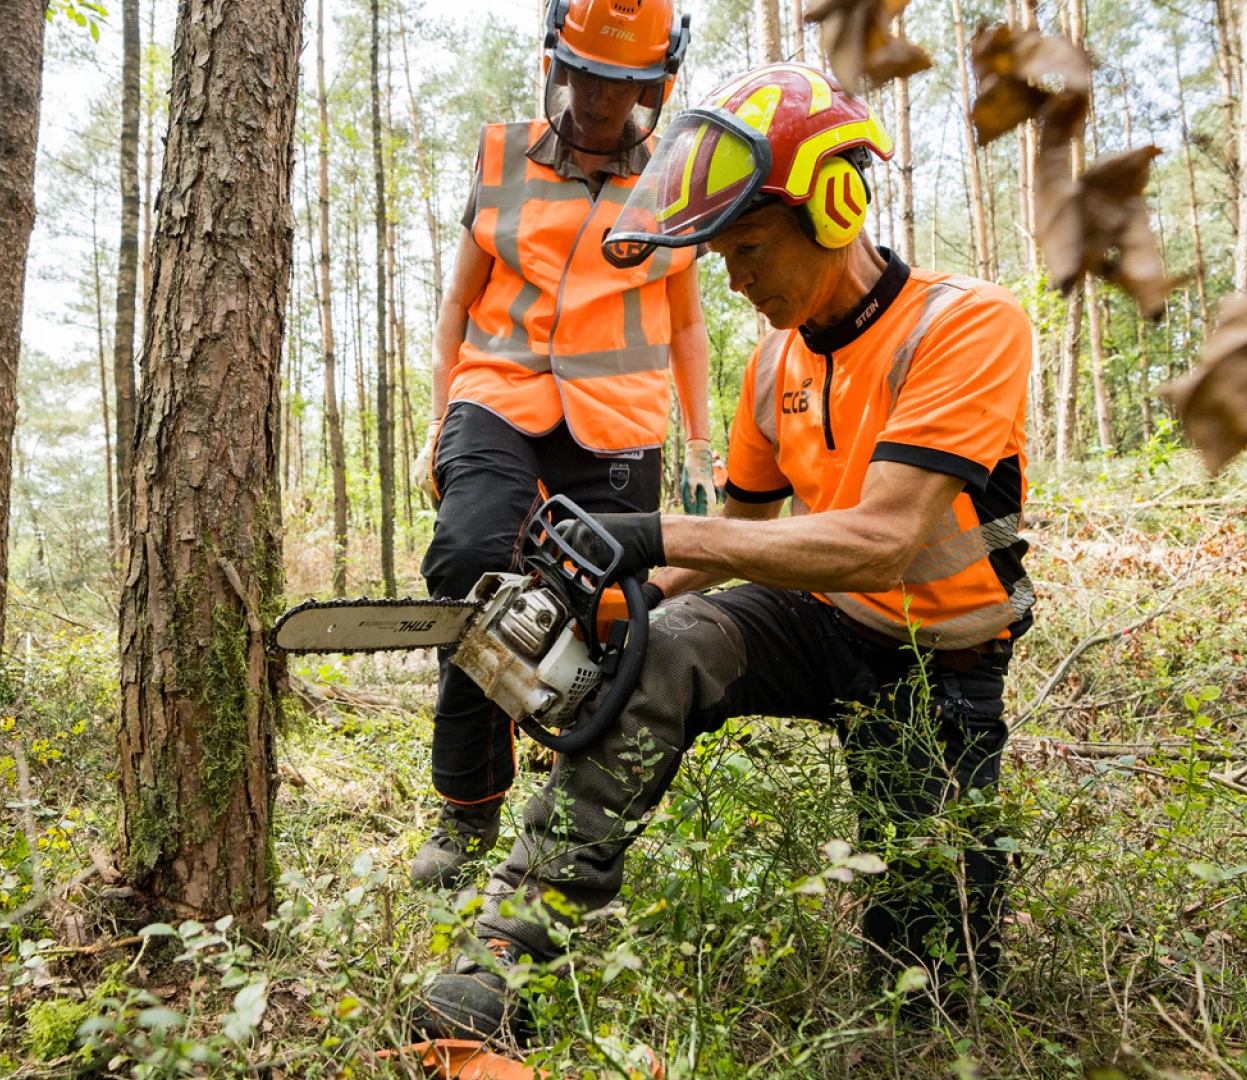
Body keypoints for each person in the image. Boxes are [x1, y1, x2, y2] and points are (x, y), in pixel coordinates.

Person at [419, 62, 1036, 1040]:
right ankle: (511, 943)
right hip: (818, 621)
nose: (737, 280)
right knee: (668, 647)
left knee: (928, 970)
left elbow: (884, 540)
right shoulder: (775, 365)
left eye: (749, 249)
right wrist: (613, 598)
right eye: (723, 258)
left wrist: (651, 531)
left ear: (832, 211)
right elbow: (738, 540)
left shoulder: (964, 324)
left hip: (942, 663)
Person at [409, 0, 715, 889]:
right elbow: (459, 301)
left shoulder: (674, 175)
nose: (601, 99)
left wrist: (700, 447)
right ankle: (467, 809)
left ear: (653, 81)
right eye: (588, 75)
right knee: (471, 568)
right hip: (498, 398)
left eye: (623, 82)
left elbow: (687, 325)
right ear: (559, 63)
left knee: (609, 621)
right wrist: (439, 420)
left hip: (616, 422)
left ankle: (570, 828)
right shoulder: (502, 152)